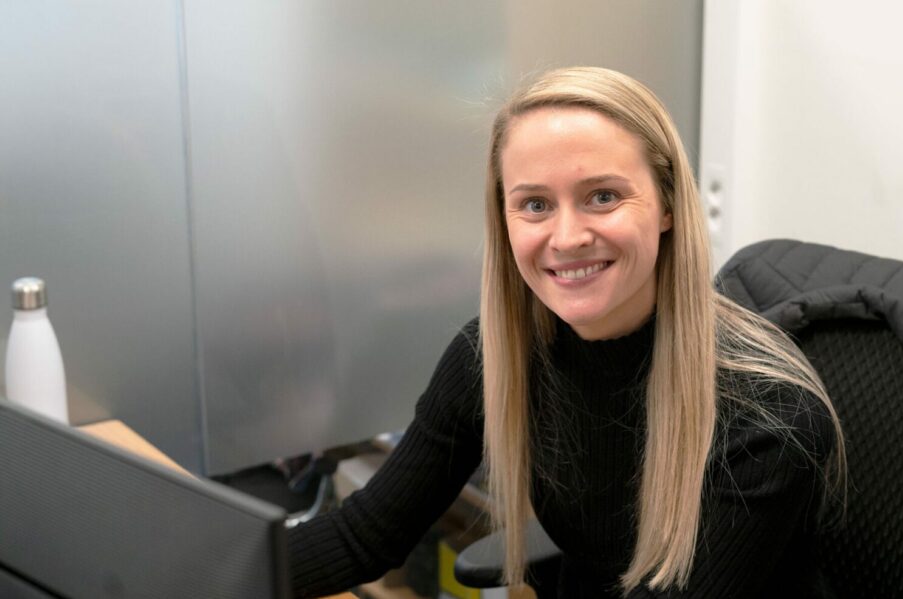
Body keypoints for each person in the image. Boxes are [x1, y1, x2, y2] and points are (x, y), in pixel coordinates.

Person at [288, 66, 846, 598]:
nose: (566, 237)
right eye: (534, 204)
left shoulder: (768, 415)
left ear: (669, 205)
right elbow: (364, 535)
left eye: (603, 196)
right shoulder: (497, 355)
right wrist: (215, 568)